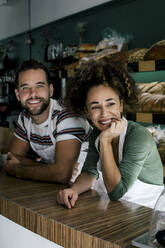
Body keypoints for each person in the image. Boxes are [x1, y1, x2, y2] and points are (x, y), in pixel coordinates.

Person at [56, 58, 164, 209]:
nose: (104, 113)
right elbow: (89, 173)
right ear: (86, 111)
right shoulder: (96, 134)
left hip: (149, 213)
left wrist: (105, 141)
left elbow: (116, 192)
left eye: (110, 104)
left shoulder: (138, 136)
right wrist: (73, 190)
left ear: (121, 104)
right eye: (95, 107)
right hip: (121, 209)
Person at [3, 59, 91, 183]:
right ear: (18, 95)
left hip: (98, 188)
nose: (33, 94)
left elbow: (61, 175)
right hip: (65, 188)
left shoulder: (66, 115)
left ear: (50, 90)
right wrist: (52, 170)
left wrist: (18, 170)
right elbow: (11, 159)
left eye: (39, 86)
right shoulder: (25, 117)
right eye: (25, 87)